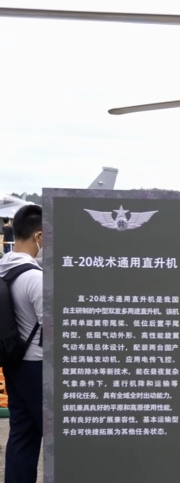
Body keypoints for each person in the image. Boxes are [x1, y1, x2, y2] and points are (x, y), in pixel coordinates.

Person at [0, 205, 44, 482]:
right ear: (38, 235)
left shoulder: (4, 267)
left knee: (22, 433)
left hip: (12, 361)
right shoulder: (35, 278)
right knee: (57, 432)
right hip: (37, 366)